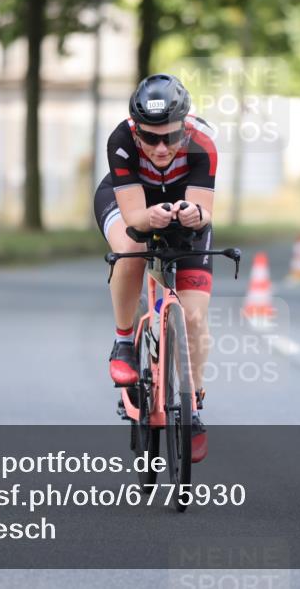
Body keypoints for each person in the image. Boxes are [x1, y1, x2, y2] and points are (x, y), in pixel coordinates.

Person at [93, 74, 217, 463]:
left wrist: (194, 215)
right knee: (132, 246)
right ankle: (124, 341)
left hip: (181, 204)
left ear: (185, 125)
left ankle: (192, 405)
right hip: (130, 203)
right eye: (150, 138)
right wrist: (151, 217)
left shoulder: (203, 144)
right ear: (136, 130)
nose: (160, 148)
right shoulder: (121, 141)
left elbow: (204, 209)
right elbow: (133, 218)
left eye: (170, 136)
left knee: (194, 316)